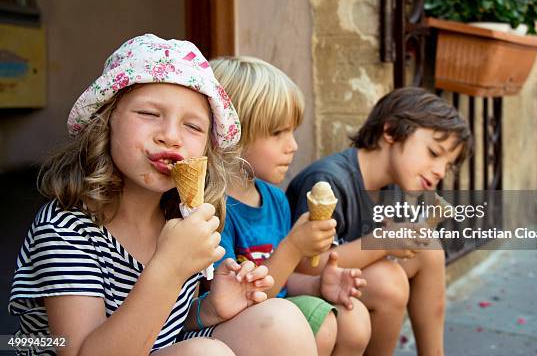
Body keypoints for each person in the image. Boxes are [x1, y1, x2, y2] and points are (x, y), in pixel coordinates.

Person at [9, 35, 317, 356]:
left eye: (193, 126)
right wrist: (169, 267)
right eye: (149, 114)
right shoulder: (66, 230)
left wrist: (209, 308)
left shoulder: (181, 216)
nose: (170, 136)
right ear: (105, 121)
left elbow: (163, 329)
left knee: (281, 320)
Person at [287, 87, 473, 356]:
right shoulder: (327, 181)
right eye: (434, 153)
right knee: (390, 282)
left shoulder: (395, 186)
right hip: (299, 289)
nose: (440, 171)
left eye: (448, 165)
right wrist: (383, 242)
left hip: (348, 284)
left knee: (429, 249)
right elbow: (304, 266)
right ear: (391, 132)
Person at [211, 56, 372, 356]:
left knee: (355, 318)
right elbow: (243, 299)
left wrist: (318, 285)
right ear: (231, 134)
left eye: (293, 132)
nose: (293, 146)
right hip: (239, 326)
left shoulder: (275, 198)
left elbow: (282, 281)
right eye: (277, 133)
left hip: (276, 311)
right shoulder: (214, 211)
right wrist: (294, 247)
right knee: (322, 328)